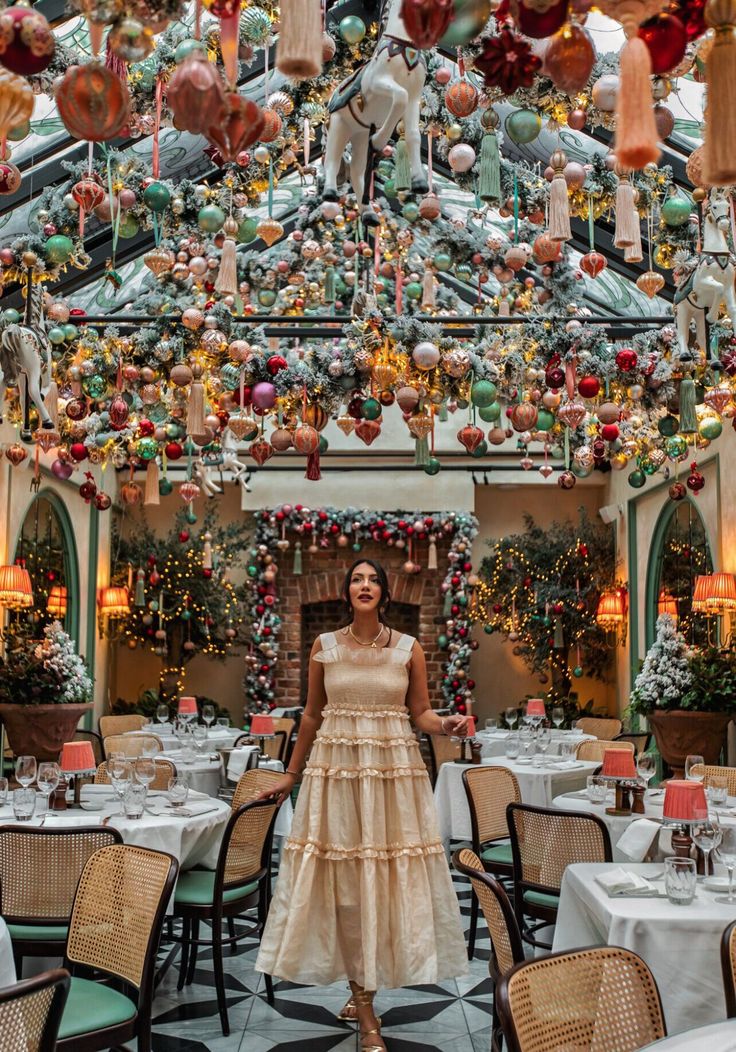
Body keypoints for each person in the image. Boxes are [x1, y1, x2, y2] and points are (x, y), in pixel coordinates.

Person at [254, 559, 470, 1051]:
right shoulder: (324, 647)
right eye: (357, 579)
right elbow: (310, 716)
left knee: (385, 881)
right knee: (346, 882)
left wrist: (446, 725)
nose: (364, 585)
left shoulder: (408, 649)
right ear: (347, 592)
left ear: (384, 593)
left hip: (394, 777)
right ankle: (365, 1003)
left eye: (373, 579)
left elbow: (420, 712)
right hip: (336, 776)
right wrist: (291, 774)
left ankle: (364, 984)